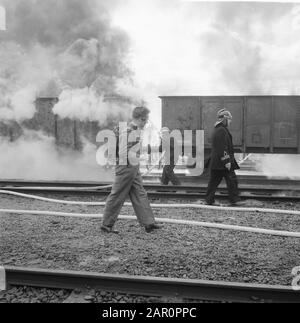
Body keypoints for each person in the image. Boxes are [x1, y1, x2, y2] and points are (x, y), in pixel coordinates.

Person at [101, 106, 162, 234]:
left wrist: (151, 150)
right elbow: (124, 153)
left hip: (132, 167)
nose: (146, 123)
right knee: (117, 195)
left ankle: (149, 223)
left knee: (140, 193)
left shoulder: (132, 130)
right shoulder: (128, 132)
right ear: (141, 118)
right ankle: (106, 224)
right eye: (146, 120)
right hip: (126, 167)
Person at [205, 109, 244, 206]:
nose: (230, 122)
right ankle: (234, 200)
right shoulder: (222, 130)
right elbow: (222, 147)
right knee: (232, 180)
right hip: (222, 162)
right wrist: (226, 161)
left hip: (217, 162)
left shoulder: (218, 129)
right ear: (225, 119)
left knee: (214, 182)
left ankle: (209, 200)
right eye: (229, 119)